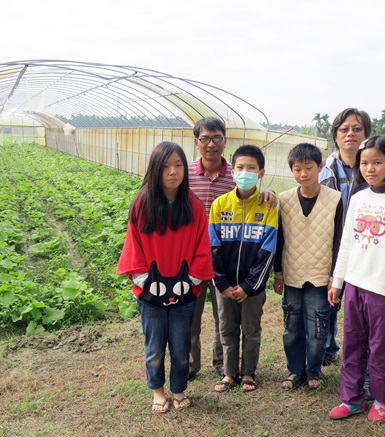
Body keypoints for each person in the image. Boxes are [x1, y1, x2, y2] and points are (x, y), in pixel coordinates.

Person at [117, 141, 214, 415]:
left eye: (179, 165)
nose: (173, 171)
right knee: (155, 348)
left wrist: (192, 280)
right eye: (166, 166)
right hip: (151, 295)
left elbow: (201, 247)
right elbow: (133, 245)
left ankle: (179, 390)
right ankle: (158, 392)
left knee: (182, 347)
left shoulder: (193, 206)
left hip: (185, 294)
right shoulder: (142, 204)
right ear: (155, 169)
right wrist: (145, 281)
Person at [327, 135, 385, 422]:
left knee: (380, 349)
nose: (370, 168)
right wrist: (337, 281)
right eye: (364, 163)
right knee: (353, 344)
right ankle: (351, 399)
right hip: (355, 285)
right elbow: (347, 244)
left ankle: (382, 398)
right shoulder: (358, 198)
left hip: (384, 290)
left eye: (377, 162)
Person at [188, 117, 277, 380]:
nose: (211, 144)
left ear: (225, 141)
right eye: (204, 138)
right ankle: (191, 365)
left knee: (222, 317)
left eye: (216, 138)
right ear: (197, 142)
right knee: (191, 316)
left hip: (225, 257)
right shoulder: (187, 174)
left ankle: (223, 366)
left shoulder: (234, 175)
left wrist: (268, 191)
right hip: (194, 255)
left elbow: (252, 194)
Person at [273, 143, 343, 391]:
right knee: (291, 327)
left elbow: (339, 242)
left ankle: (313, 371)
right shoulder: (284, 199)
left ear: (320, 167)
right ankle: (295, 370)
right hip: (292, 274)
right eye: (297, 169)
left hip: (321, 276)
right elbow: (279, 239)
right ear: (292, 170)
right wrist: (278, 273)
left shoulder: (335, 200)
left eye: (309, 168)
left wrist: (336, 277)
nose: (303, 174)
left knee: (317, 327)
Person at [208, 145, 278, 392]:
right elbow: (212, 247)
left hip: (252, 288)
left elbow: (268, 251)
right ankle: (229, 373)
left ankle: (248, 372)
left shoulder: (268, 206)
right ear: (232, 171)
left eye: (251, 168)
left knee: (251, 329)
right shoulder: (220, 205)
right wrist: (223, 284)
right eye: (240, 168)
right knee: (226, 328)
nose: (245, 173)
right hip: (224, 285)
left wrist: (249, 286)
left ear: (261, 172)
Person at [318, 108, 372, 369]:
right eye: (344, 129)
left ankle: (360, 355)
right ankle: (327, 349)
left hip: (365, 248)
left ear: (366, 135)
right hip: (330, 246)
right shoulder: (324, 170)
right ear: (336, 136)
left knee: (359, 304)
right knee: (329, 301)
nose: (350, 133)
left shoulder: (373, 169)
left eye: (357, 129)